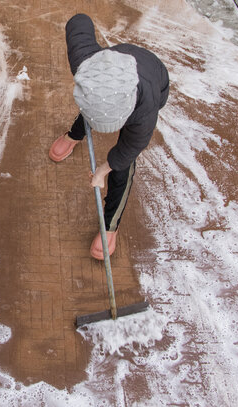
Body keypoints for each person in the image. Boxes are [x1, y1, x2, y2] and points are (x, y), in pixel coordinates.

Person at [48, 13, 169, 260]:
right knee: (95, 105)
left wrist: (103, 170)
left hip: (154, 78)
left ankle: (110, 225)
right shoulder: (87, 63)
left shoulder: (145, 113)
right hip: (113, 64)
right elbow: (79, 24)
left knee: (123, 166)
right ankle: (74, 135)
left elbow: (127, 149)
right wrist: (89, 79)